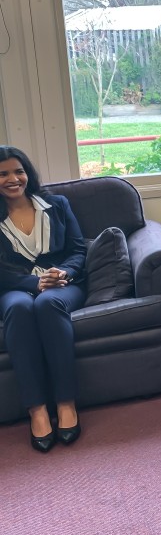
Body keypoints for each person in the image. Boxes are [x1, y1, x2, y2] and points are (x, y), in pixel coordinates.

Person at [0, 146, 86, 453]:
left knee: (48, 303)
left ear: (28, 174)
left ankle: (65, 404)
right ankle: (36, 409)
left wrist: (62, 274)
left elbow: (78, 249)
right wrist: (35, 282)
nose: (13, 179)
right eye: (3, 173)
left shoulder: (57, 204)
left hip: (63, 284)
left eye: (18, 171)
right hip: (13, 288)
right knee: (22, 307)